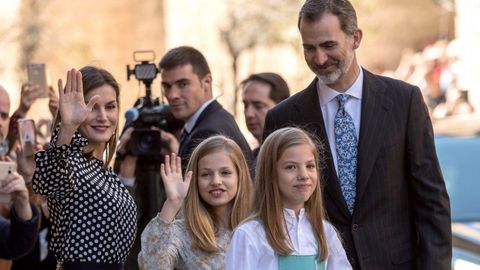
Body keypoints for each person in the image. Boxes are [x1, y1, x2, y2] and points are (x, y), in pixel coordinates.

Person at [263, 1, 452, 269]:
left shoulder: (403, 101)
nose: (319, 59)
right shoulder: (283, 118)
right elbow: (273, 209)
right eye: (309, 48)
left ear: (356, 38)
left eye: (329, 45)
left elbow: (432, 202)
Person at [32, 67, 137, 270]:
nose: (103, 116)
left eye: (110, 107)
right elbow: (49, 180)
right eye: (92, 107)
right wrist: (68, 127)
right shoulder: (69, 161)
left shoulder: (105, 174)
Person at [225, 127, 351, 269]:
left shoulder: (325, 233)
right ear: (270, 173)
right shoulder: (250, 235)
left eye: (310, 166)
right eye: (291, 167)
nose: (304, 175)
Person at [138, 135, 252, 269]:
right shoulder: (181, 232)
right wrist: (172, 203)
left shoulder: (258, 227)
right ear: (194, 180)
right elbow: (151, 266)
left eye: (225, 172)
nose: (216, 181)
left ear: (240, 176)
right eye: (205, 174)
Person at [159, 46, 252, 170]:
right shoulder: (215, 118)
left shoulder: (208, 132)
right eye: (167, 86)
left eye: (183, 84)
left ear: (207, 82)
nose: (172, 95)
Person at [0, 85, 39, 259]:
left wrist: (26, 186)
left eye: (3, 116)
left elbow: (14, 243)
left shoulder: (5, 165)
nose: (0, 122)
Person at [241, 72, 290, 158]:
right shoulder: (249, 160)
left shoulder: (295, 156)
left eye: (258, 106)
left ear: (282, 106)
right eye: (245, 105)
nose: (249, 114)